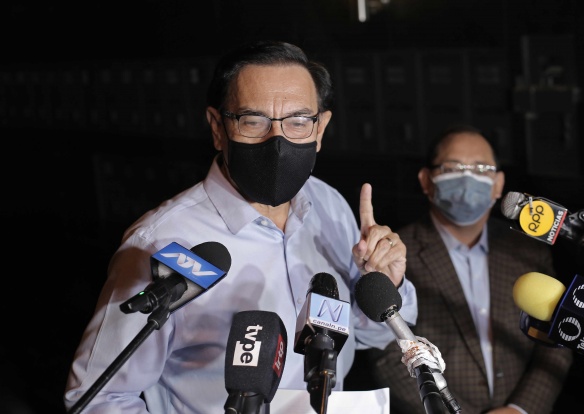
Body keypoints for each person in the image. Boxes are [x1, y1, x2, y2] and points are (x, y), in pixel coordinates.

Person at [63, 40, 417, 413]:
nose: (277, 142)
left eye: (298, 121)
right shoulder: (160, 244)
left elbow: (368, 335)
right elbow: (98, 399)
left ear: (320, 128)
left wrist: (387, 286)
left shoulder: (329, 207)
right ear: (218, 127)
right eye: (252, 120)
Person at [366, 124, 574, 414]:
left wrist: (521, 408)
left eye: (481, 168)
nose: (468, 178)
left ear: (499, 184)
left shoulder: (527, 250)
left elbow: (557, 337)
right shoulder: (396, 254)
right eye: (453, 168)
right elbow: (388, 356)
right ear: (426, 180)